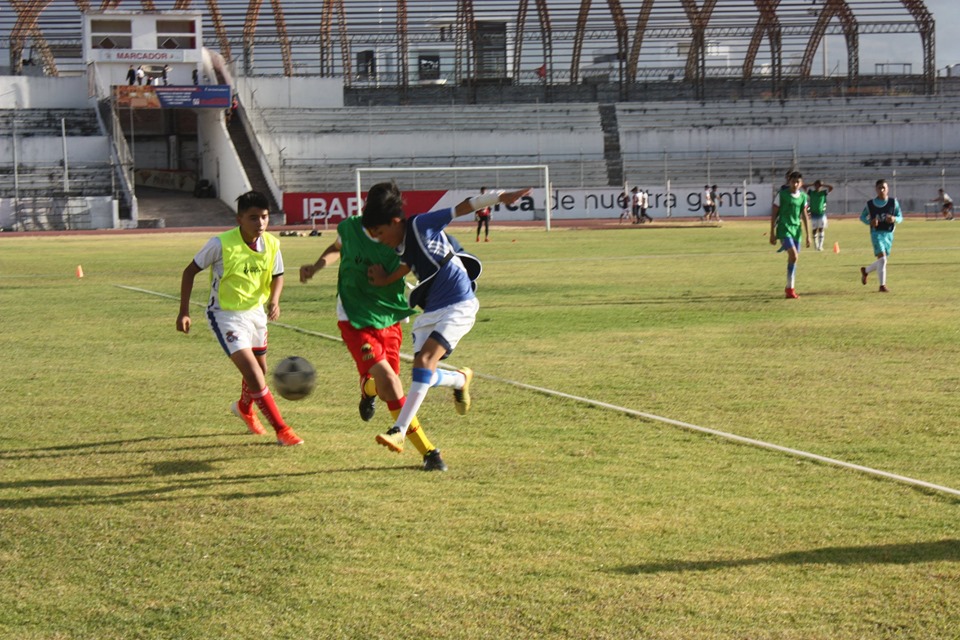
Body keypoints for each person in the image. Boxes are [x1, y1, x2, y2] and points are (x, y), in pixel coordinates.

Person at [362, 181, 530, 452]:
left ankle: (399, 430)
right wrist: (385, 280)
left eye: (380, 233)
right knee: (423, 371)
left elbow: (462, 208)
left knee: (425, 361)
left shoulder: (419, 224)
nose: (381, 239)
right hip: (431, 310)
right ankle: (461, 380)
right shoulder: (399, 245)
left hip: (459, 303)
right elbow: (407, 265)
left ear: (395, 222)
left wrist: (499, 197)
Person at [298, 214, 448, 471]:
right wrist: (316, 266)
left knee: (384, 387)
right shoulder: (351, 229)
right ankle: (429, 452)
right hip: (354, 317)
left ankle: (367, 390)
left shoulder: (404, 238)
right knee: (391, 382)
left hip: (389, 317)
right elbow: (336, 248)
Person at [176, 190, 304, 446]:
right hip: (226, 315)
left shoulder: (272, 243)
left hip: (255, 313)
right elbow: (189, 272)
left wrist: (274, 300)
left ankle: (244, 408)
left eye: (264, 217)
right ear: (240, 219)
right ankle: (282, 430)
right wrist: (184, 311)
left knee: (262, 369)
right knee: (256, 375)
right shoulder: (220, 244)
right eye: (253, 218)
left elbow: (278, 275)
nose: (260, 223)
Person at [770, 171, 811, 299]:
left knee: (793, 259)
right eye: (793, 182)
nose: (795, 184)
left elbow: (804, 215)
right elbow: (774, 213)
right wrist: (772, 232)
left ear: (801, 183)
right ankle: (790, 289)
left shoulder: (803, 197)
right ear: (789, 182)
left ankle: (789, 287)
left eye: (797, 182)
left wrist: (808, 235)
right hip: (784, 228)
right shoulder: (782, 195)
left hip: (796, 230)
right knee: (794, 255)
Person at [859, 179, 903, 293]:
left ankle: (866, 271)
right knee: (883, 259)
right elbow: (862, 217)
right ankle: (882, 286)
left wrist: (894, 219)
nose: (882, 190)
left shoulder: (893, 203)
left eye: (884, 187)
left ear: (887, 189)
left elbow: (900, 217)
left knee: (882, 260)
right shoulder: (870, 204)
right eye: (879, 188)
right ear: (876, 189)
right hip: (876, 234)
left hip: (888, 234)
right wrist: (870, 222)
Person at [806, 180, 835, 251]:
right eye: (816, 185)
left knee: (821, 229)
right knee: (814, 230)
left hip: (821, 214)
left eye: (819, 185)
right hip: (813, 214)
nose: (817, 187)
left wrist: (823, 184)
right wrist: (812, 183)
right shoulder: (811, 193)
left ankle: (820, 246)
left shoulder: (823, 193)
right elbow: (803, 186)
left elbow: (831, 187)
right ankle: (816, 245)